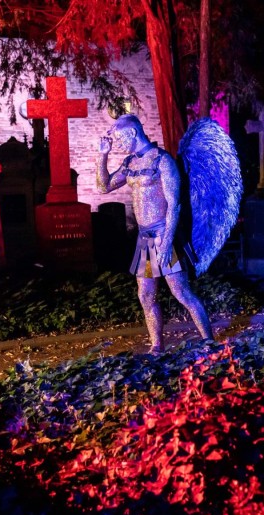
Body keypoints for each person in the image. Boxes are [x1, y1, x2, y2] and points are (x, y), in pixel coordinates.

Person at [97, 114, 213, 354]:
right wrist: (103, 154)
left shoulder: (163, 161)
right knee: (146, 295)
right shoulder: (130, 164)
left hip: (163, 235)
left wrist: (168, 241)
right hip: (145, 238)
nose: (117, 145)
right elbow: (103, 186)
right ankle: (157, 345)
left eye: (118, 140)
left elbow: (175, 204)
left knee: (181, 292)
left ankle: (209, 340)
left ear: (132, 134)